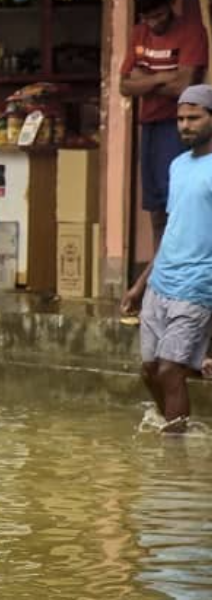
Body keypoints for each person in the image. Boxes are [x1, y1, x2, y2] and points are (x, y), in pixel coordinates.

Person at [120, 84, 212, 434]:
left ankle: (175, 460)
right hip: (161, 284)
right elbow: (172, 230)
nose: (185, 125)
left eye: (194, 118)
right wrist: (139, 285)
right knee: (149, 371)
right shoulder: (177, 166)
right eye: (180, 119)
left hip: (197, 286)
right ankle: (174, 432)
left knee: (170, 370)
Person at [119, 0, 207, 256]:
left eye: (158, 15)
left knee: (178, 205)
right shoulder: (139, 33)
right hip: (150, 125)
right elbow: (124, 86)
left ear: (170, 8)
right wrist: (162, 77)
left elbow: (183, 86)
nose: (153, 23)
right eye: (147, 17)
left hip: (179, 126)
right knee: (155, 207)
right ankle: (158, 270)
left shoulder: (190, 31)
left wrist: (144, 79)